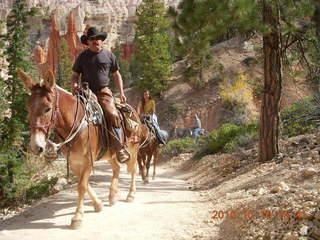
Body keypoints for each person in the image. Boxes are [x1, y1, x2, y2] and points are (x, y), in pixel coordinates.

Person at [71, 26, 130, 163]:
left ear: (101, 40)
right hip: (86, 92)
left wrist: (121, 92)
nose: (95, 41)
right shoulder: (82, 56)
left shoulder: (109, 55)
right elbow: (75, 75)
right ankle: (69, 146)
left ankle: (120, 147)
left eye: (97, 38)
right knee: (75, 114)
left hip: (103, 91)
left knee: (113, 115)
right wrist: (74, 85)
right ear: (88, 42)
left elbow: (117, 75)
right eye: (91, 39)